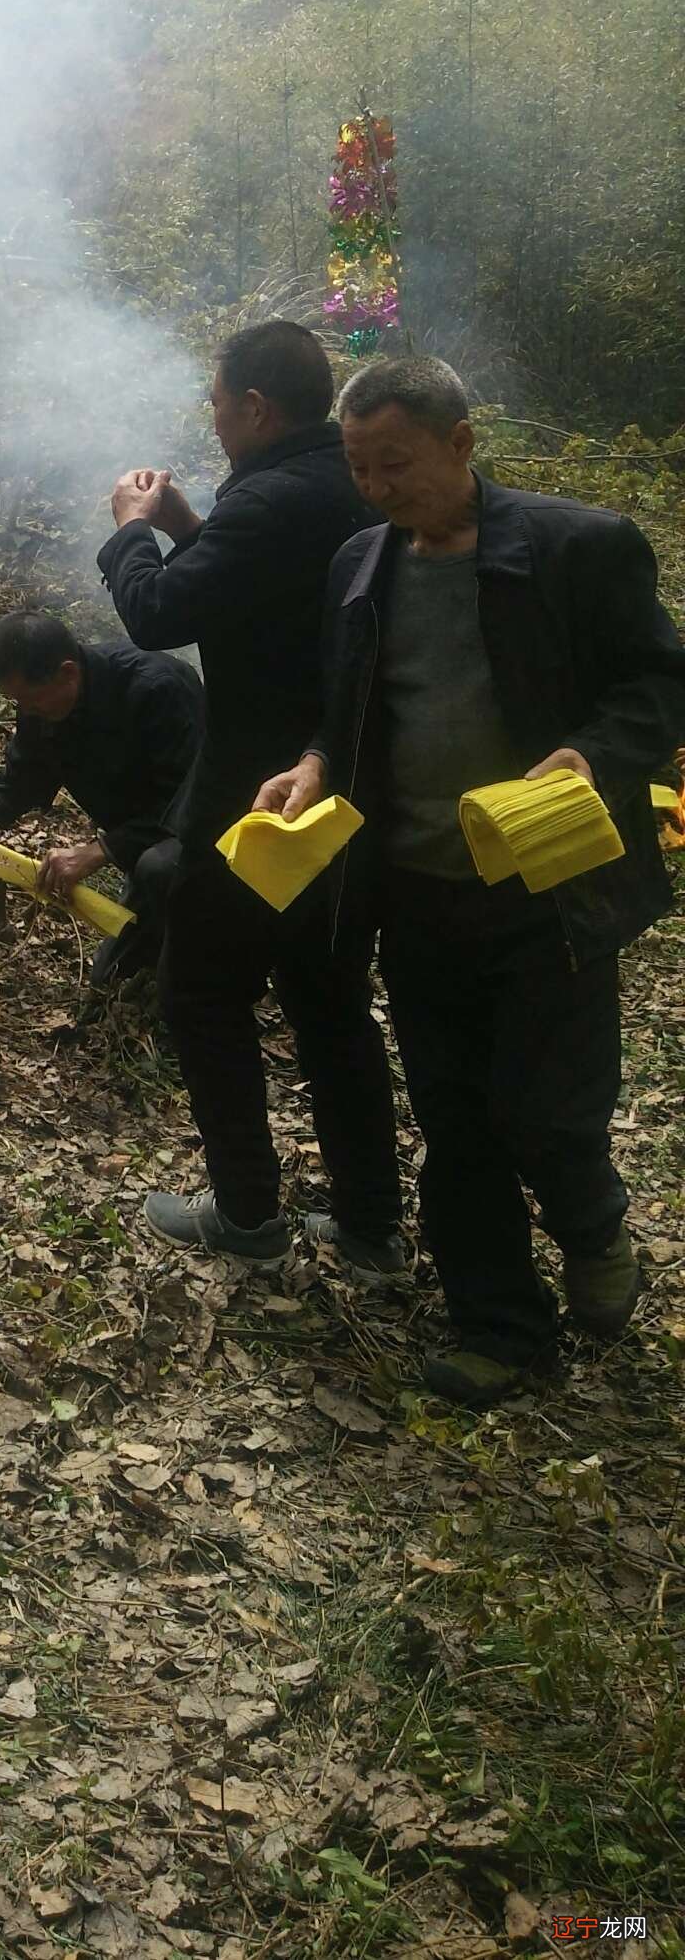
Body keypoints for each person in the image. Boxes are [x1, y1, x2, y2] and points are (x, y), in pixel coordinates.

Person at [255, 355, 685, 1405]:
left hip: (548, 890)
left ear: (458, 442)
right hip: (414, 890)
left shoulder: (576, 548)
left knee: (546, 1113)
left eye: (393, 462)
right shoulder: (359, 563)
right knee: (454, 1120)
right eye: (357, 465)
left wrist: (594, 753)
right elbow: (346, 704)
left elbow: (657, 684)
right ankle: (500, 1326)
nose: (373, 487)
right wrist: (313, 764)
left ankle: (589, 1224)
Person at [97, 318, 405, 1275]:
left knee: (200, 995)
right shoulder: (350, 488)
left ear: (257, 408)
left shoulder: (266, 503)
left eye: (220, 403)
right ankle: (369, 1230)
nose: (216, 418)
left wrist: (134, 533)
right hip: (349, 797)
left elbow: (158, 615)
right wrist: (195, 524)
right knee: (330, 1006)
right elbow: (261, 588)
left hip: (251, 808)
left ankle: (245, 1213)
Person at [0, 609, 202, 986]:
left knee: (159, 874)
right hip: (141, 850)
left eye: (32, 701)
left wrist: (99, 851)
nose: (26, 712)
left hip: (206, 846)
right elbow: (25, 772)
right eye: (19, 704)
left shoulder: (157, 689)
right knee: (110, 978)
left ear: (68, 672)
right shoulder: (42, 701)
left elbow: (189, 806)